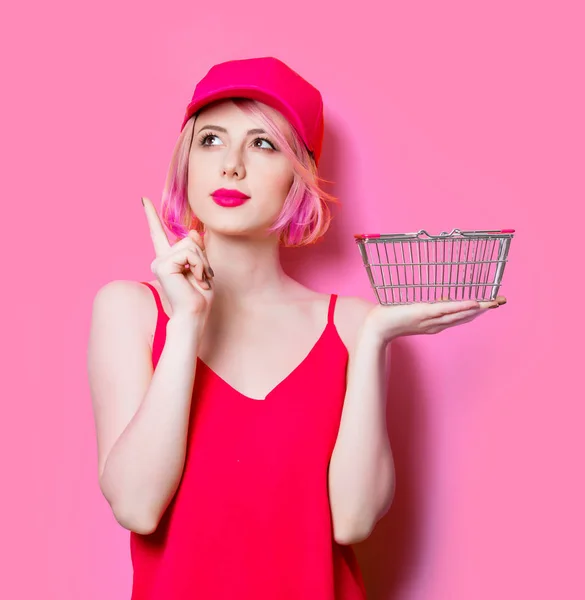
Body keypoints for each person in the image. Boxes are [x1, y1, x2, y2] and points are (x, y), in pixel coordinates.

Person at [87, 56, 506, 599]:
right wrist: (187, 321)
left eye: (263, 145)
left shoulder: (352, 325)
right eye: (211, 139)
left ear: (299, 174)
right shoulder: (132, 310)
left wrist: (375, 338)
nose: (231, 166)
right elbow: (137, 506)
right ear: (186, 160)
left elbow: (352, 522)